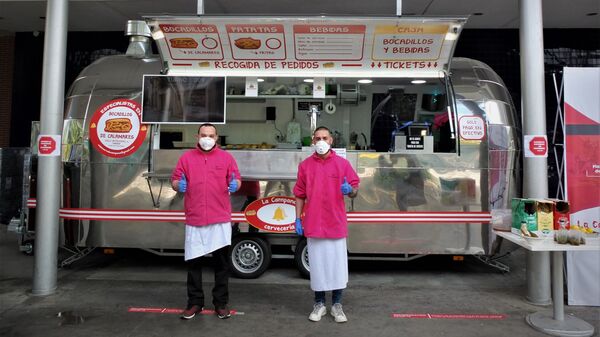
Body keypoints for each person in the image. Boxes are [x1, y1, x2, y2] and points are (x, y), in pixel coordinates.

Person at [171, 123, 241, 320]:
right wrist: (178, 185)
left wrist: (235, 184)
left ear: (217, 138)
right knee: (194, 264)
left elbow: (236, 179)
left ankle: (220, 303)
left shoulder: (226, 158)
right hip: (195, 218)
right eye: (204, 135)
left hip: (219, 218)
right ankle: (194, 302)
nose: (207, 138)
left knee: (221, 264)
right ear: (197, 136)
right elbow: (175, 179)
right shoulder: (186, 158)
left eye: (211, 135)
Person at [293, 126, 360, 323]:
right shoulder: (305, 166)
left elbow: (355, 188)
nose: (321, 141)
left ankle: (337, 305)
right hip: (314, 223)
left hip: (335, 223)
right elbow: (299, 195)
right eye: (317, 138)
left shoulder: (342, 164)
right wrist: (297, 218)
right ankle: (319, 304)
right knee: (318, 267)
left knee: (337, 267)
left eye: (324, 137)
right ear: (313, 142)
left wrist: (350, 190)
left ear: (331, 140)